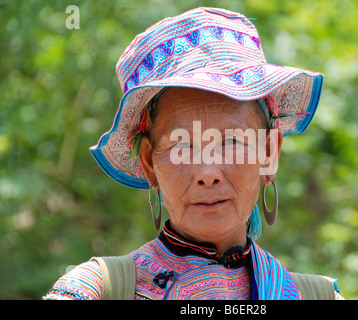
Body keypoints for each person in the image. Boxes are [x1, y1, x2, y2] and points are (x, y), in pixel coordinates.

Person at [43, 7, 342, 300]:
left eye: (232, 141)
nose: (208, 174)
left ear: (268, 153)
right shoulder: (94, 290)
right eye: (182, 146)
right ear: (149, 163)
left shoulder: (317, 296)